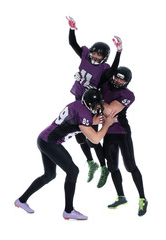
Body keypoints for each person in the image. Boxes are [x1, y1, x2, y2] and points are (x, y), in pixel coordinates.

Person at [14, 89, 117, 220]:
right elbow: (95, 139)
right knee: (73, 171)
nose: (98, 107)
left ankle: (21, 201)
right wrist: (106, 125)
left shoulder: (79, 105)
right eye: (96, 104)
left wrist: (91, 122)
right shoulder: (84, 114)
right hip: (50, 142)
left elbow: (77, 121)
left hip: (44, 139)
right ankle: (68, 211)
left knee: (49, 175)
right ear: (90, 104)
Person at [66, 16, 122, 188]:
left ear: (104, 57)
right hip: (78, 98)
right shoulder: (84, 56)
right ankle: (91, 163)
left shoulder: (104, 69)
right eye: (95, 52)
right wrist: (72, 29)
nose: (96, 56)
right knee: (79, 135)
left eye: (100, 54)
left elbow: (113, 70)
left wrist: (119, 52)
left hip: (92, 103)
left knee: (93, 138)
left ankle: (104, 167)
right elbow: (73, 44)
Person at [101, 66, 148, 216]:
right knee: (112, 167)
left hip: (122, 132)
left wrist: (96, 97)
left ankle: (142, 198)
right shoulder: (105, 85)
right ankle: (121, 196)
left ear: (127, 81)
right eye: (117, 77)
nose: (118, 81)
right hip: (107, 132)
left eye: (122, 79)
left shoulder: (128, 94)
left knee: (130, 166)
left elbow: (109, 110)